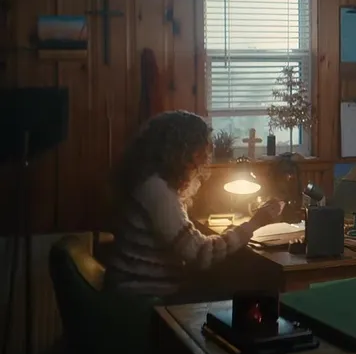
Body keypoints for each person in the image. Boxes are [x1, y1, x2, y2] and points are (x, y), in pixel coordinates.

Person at [103, 110, 284, 300]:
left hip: (142, 288)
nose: (204, 158)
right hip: (144, 296)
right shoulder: (157, 191)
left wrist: (232, 233)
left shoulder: (149, 182)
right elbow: (201, 255)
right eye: (199, 151)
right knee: (246, 290)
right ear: (180, 152)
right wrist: (255, 223)